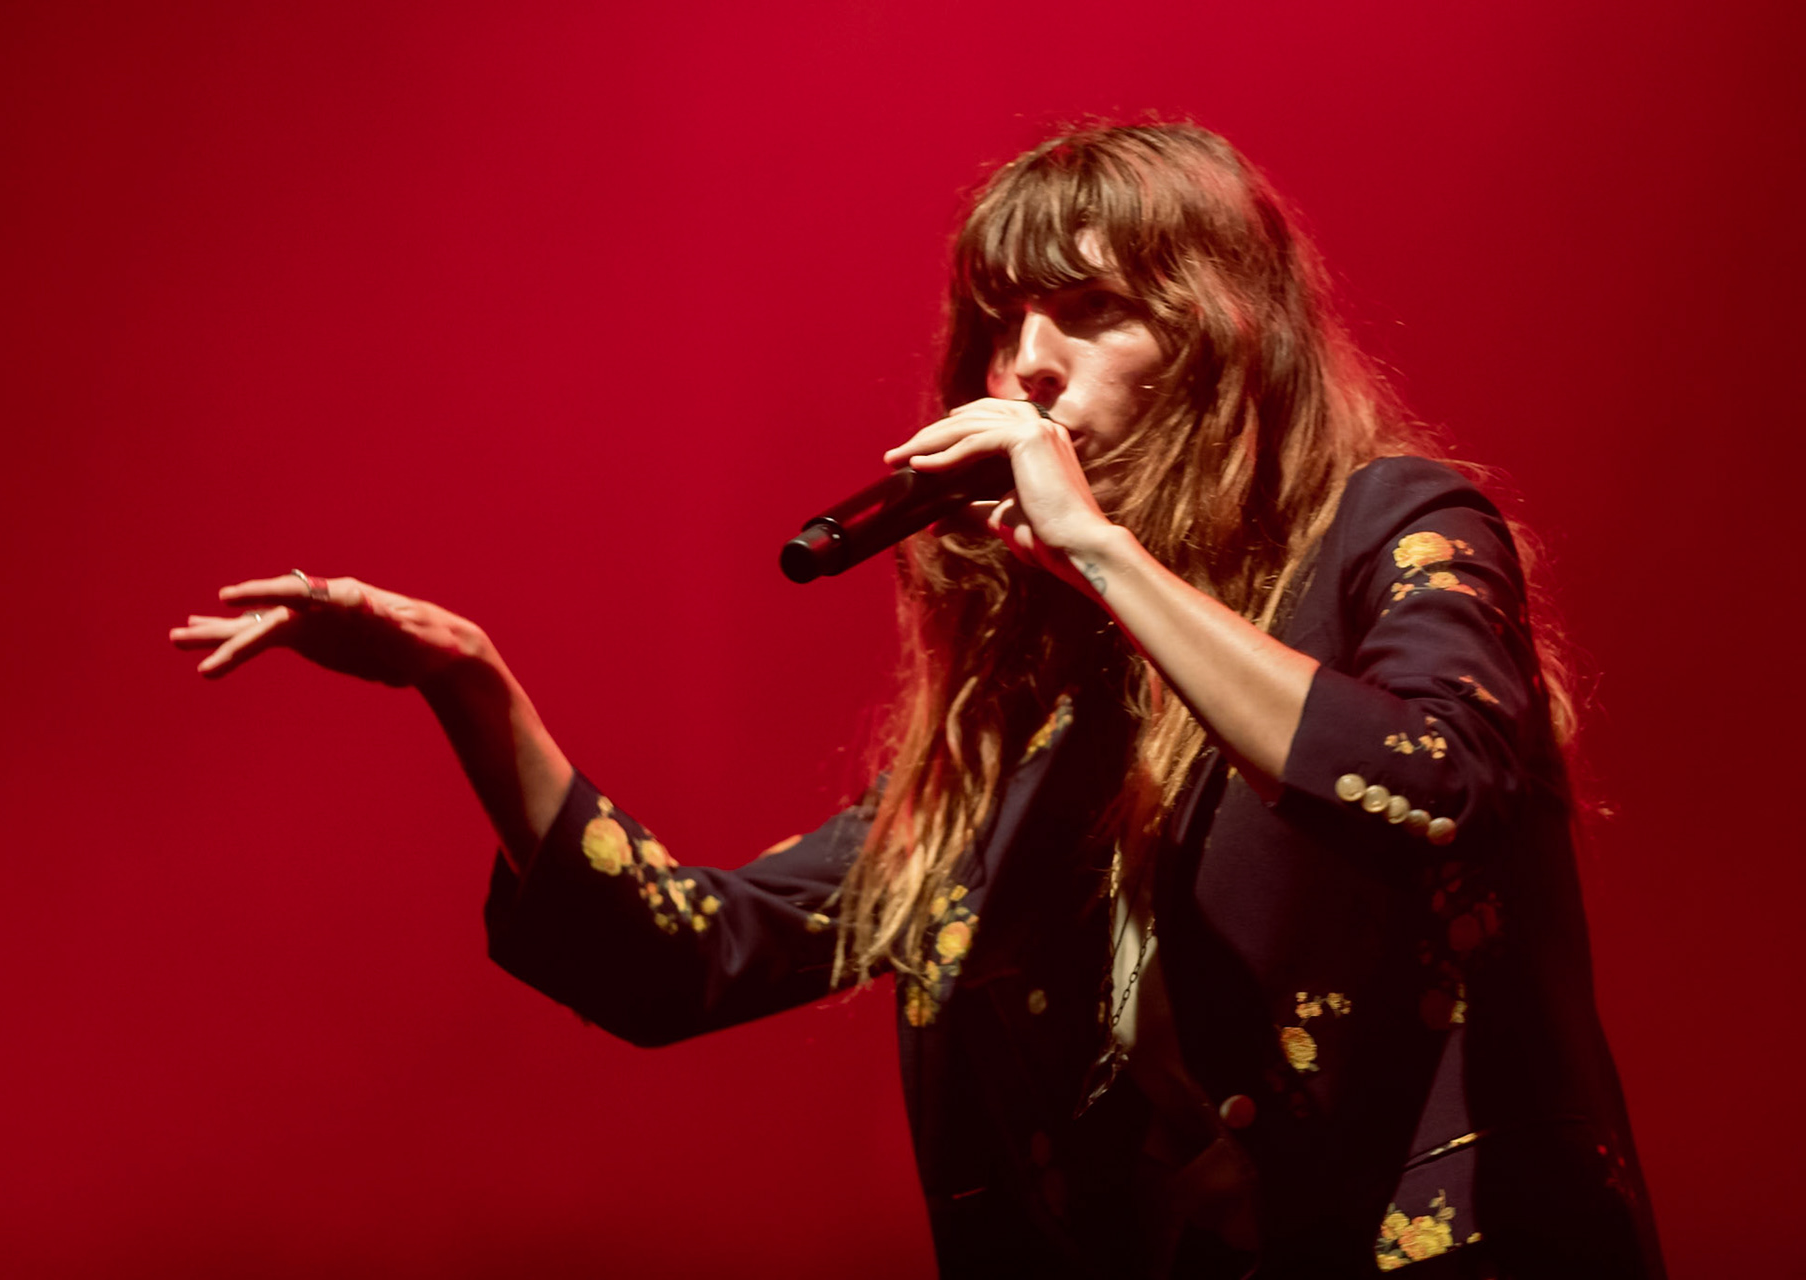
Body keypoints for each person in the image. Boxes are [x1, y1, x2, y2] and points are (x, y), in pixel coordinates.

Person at [171, 123, 1662, 1278]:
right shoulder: (1024, 747)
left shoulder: (1394, 529)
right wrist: (471, 686)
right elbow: (679, 959)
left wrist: (1098, 547)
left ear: (1227, 338)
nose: (1025, 365)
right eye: (1002, 323)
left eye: (1090, 311)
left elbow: (1434, 778)